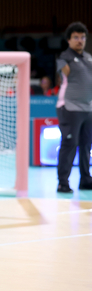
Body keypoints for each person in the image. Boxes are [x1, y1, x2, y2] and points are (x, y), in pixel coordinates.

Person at [55, 21, 92, 193]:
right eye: (76, 37)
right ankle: (63, 182)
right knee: (70, 144)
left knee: (86, 145)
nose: (80, 40)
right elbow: (66, 74)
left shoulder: (89, 58)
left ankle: (85, 179)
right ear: (68, 40)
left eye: (82, 37)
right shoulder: (63, 58)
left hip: (87, 108)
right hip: (69, 107)